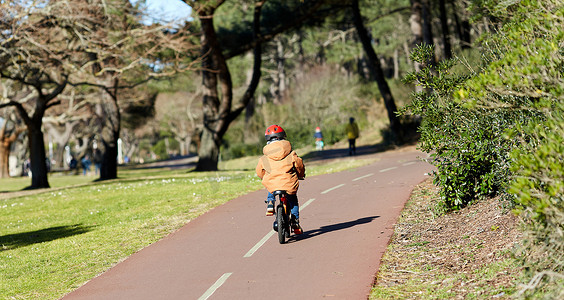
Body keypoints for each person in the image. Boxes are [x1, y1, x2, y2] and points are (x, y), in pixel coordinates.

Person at [256, 125, 306, 234]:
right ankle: (295, 221)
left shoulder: (265, 157)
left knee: (271, 184)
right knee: (293, 200)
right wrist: (301, 174)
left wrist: (263, 177)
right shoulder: (291, 153)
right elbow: (299, 165)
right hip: (288, 182)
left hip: (273, 183)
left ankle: (270, 202)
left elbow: (259, 171)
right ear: (283, 137)